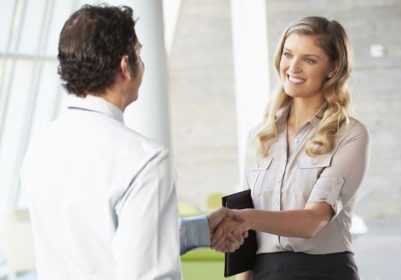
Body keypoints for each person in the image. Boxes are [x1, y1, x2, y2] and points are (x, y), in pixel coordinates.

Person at [20, 4, 243, 280]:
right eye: (139, 52)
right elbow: (149, 273)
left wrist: (199, 229)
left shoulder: (40, 148)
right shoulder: (145, 160)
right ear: (125, 66)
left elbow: (99, 242)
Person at [212, 16, 370, 280]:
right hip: (265, 272)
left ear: (333, 68)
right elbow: (248, 241)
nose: (293, 67)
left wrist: (244, 217)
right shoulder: (260, 136)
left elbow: (314, 221)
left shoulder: (350, 134)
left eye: (309, 59)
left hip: (325, 272)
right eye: (288, 54)